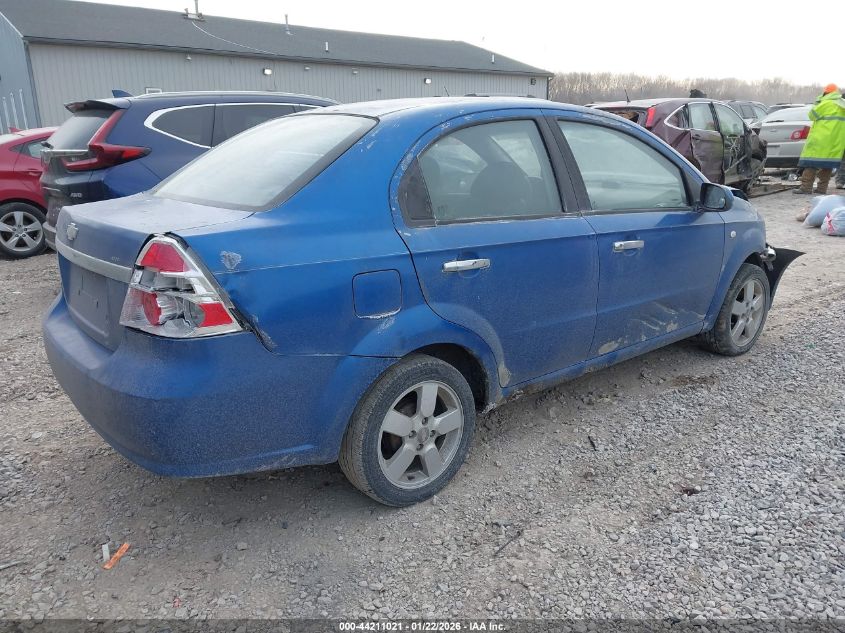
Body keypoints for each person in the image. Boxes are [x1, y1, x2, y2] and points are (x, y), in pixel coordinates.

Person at [794, 83, 845, 194]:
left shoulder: (825, 103)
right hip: (835, 141)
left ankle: (806, 188)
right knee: (827, 165)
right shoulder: (842, 104)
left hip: (820, 139)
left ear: (826, 92)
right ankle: (822, 189)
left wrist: (818, 102)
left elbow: (812, 115)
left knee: (811, 163)